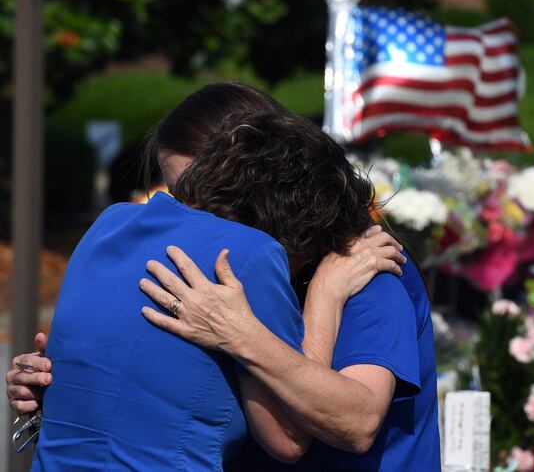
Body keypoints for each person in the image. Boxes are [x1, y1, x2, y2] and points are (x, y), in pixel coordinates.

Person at [8, 83, 442, 471]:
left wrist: (296, 309)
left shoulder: (364, 268)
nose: (184, 212)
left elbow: (355, 422)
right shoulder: (221, 265)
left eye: (196, 192)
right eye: (174, 192)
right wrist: (64, 387)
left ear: (253, 176)